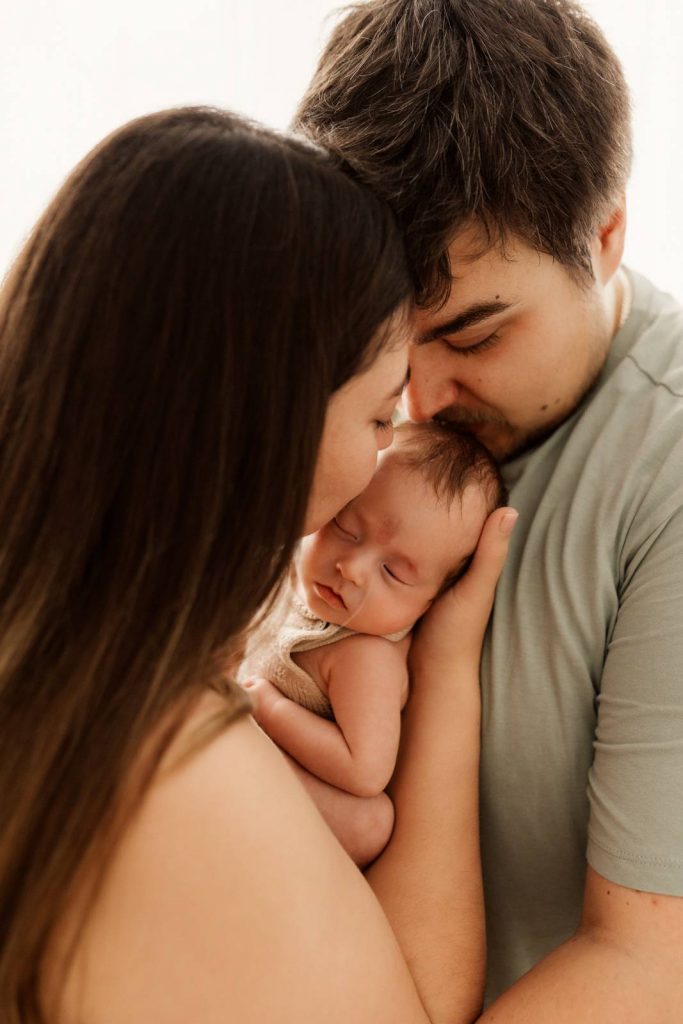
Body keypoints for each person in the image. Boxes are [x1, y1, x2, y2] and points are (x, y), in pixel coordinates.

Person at [0, 105, 517, 1024]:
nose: (387, 447)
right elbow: (421, 1006)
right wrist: (443, 659)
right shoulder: (170, 765)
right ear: (271, 422)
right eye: (379, 416)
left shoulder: (74, 671)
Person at [295, 0, 683, 1017]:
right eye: (385, 338)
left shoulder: (666, 472)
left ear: (604, 234)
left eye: (472, 338)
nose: (416, 402)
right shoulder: (342, 395)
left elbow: (650, 965)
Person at [241, 421, 505, 866]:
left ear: (429, 603)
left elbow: (363, 769)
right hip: (242, 748)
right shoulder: (295, 576)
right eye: (345, 527)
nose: (352, 568)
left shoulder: (364, 656)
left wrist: (267, 707)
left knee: (367, 823)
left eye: (394, 573)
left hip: (276, 762)